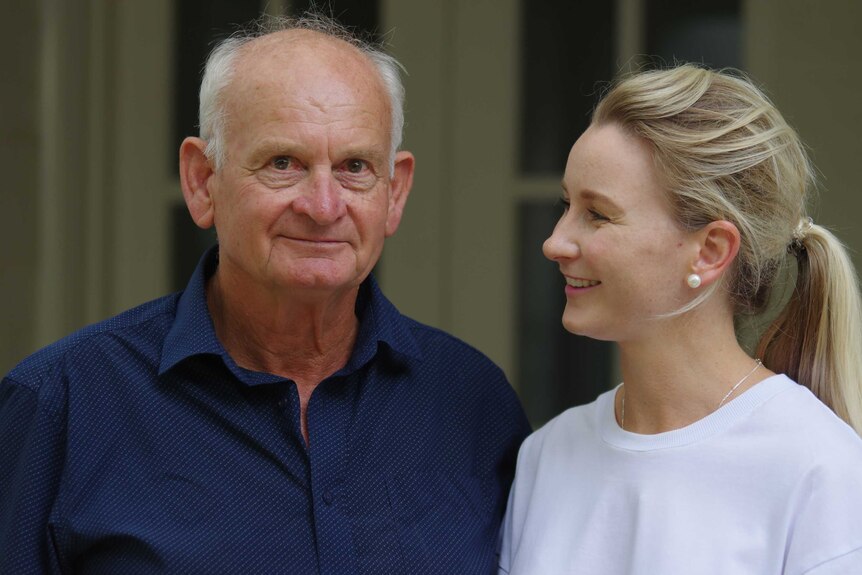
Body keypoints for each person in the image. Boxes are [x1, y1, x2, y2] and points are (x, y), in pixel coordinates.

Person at [0, 15, 531, 573]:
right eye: (284, 163)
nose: (323, 207)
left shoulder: (473, 404)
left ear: (394, 193)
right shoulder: (61, 406)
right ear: (202, 181)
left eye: (354, 167)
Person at [498, 64, 862, 574]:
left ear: (710, 251)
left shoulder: (822, 471)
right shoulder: (547, 456)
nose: (554, 242)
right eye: (566, 205)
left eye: (597, 214)